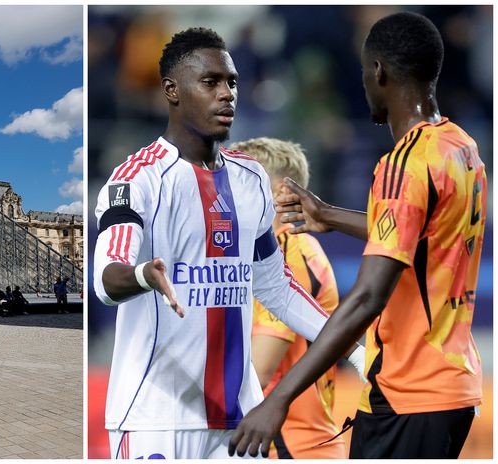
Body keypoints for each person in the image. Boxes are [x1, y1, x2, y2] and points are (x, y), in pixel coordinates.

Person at [92, 28, 365, 459]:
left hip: (238, 423)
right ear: (171, 90)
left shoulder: (251, 178)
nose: (227, 95)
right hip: (155, 419)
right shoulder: (137, 177)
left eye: (232, 83)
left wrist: (357, 352)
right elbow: (106, 280)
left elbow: (276, 287)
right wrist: (144, 274)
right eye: (211, 82)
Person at [229, 12, 487, 459]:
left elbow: (367, 297)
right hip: (454, 382)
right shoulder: (460, 147)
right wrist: (330, 215)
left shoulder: (402, 164)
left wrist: (277, 399)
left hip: (409, 389)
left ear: (379, 72)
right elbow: (424, 234)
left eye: (364, 72)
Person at [231, 137, 346, 458]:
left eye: (243, 180)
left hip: (291, 448)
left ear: (281, 192)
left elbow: (260, 369)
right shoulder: (278, 251)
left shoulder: (287, 251)